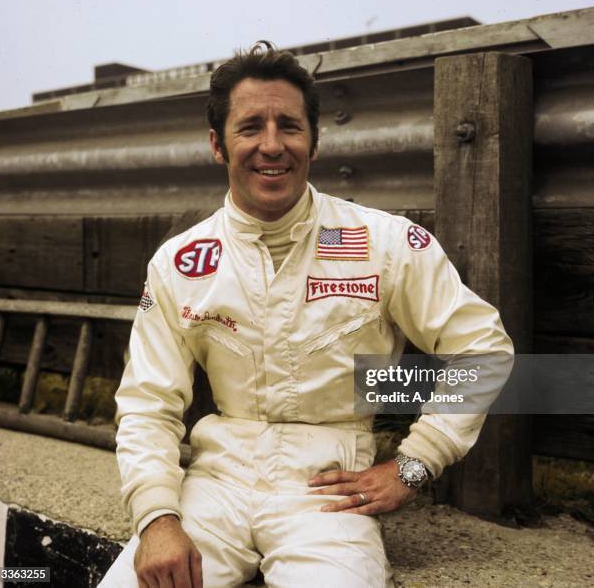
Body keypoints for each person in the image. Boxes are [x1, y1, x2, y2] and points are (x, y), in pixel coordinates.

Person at [100, 41, 513, 588]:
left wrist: (414, 464)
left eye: (289, 126)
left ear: (314, 142)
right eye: (250, 127)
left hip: (327, 495)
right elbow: (148, 404)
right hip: (212, 487)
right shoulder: (180, 261)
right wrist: (156, 517)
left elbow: (483, 348)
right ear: (217, 146)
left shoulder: (383, 242)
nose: (272, 145)